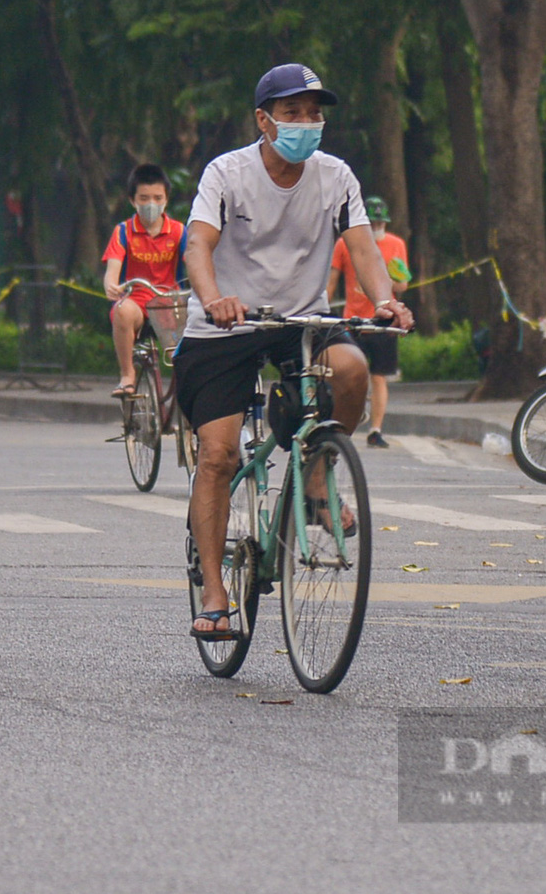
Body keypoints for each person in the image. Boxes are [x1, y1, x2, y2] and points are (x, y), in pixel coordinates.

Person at [175, 63, 413, 641]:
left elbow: (364, 249)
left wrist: (384, 300)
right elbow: (198, 246)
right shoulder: (226, 174)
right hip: (225, 327)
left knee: (353, 368)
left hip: (300, 322)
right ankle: (214, 593)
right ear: (264, 119)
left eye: (314, 112)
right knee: (218, 456)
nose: (307, 123)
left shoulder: (336, 177)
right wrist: (213, 299)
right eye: (292, 112)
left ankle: (315, 478)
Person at [328, 195, 411, 448]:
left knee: (379, 376)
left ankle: (375, 429)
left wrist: (390, 279)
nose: (376, 228)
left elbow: (403, 285)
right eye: (371, 223)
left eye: (380, 223)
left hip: (383, 320)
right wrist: (322, 309)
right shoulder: (344, 244)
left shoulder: (396, 245)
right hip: (354, 319)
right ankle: (350, 415)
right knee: (349, 371)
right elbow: (332, 279)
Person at [101, 163, 187, 397]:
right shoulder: (123, 232)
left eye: (158, 197)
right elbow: (113, 269)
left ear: (166, 199)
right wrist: (111, 285)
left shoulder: (179, 232)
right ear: (132, 200)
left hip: (170, 301)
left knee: (184, 356)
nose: (152, 204)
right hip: (136, 299)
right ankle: (127, 375)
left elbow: (195, 262)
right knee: (122, 311)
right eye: (144, 198)